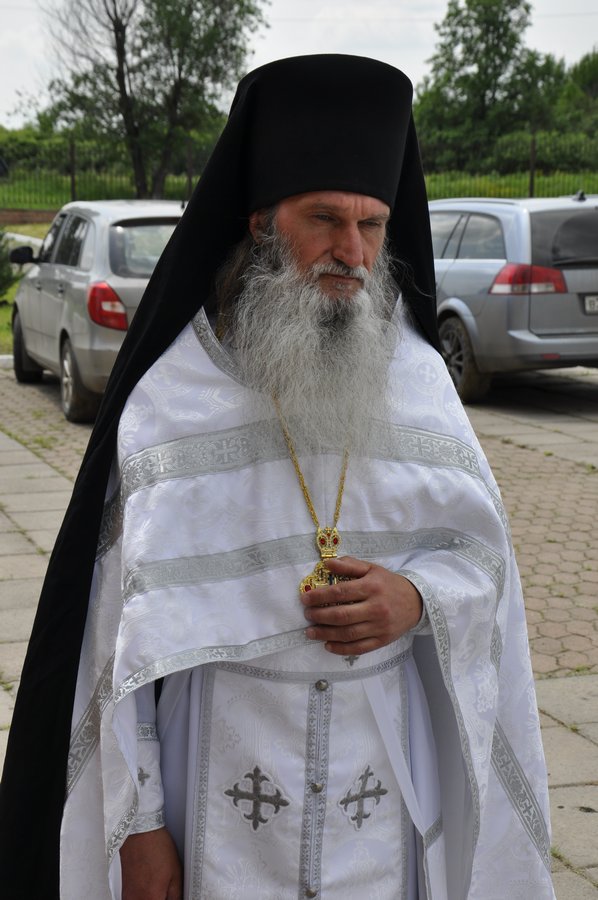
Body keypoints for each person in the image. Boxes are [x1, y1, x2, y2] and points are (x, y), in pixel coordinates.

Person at [0, 55, 555, 900]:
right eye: (324, 219)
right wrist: (139, 827)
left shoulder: (419, 383)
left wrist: (416, 600)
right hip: (215, 792)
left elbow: (486, 565)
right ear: (261, 223)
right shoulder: (174, 401)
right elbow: (116, 641)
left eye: (372, 225)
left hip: (381, 801)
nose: (352, 252)